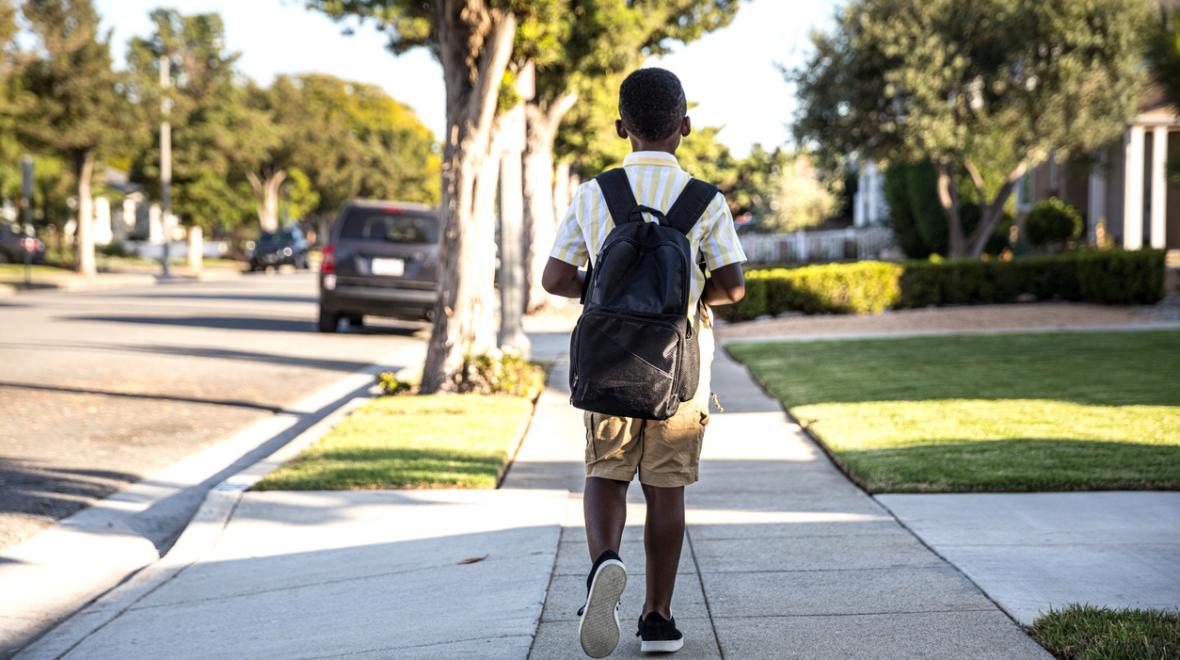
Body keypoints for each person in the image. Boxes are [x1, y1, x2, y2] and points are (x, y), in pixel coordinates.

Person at [541, 67, 746, 657]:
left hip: (606, 360)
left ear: (619, 127)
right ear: (684, 126)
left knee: (605, 472)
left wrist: (605, 293)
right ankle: (658, 619)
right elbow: (733, 286)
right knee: (666, 487)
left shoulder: (594, 194)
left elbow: (554, 278)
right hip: (678, 366)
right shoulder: (705, 201)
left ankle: (605, 561)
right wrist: (692, 298)